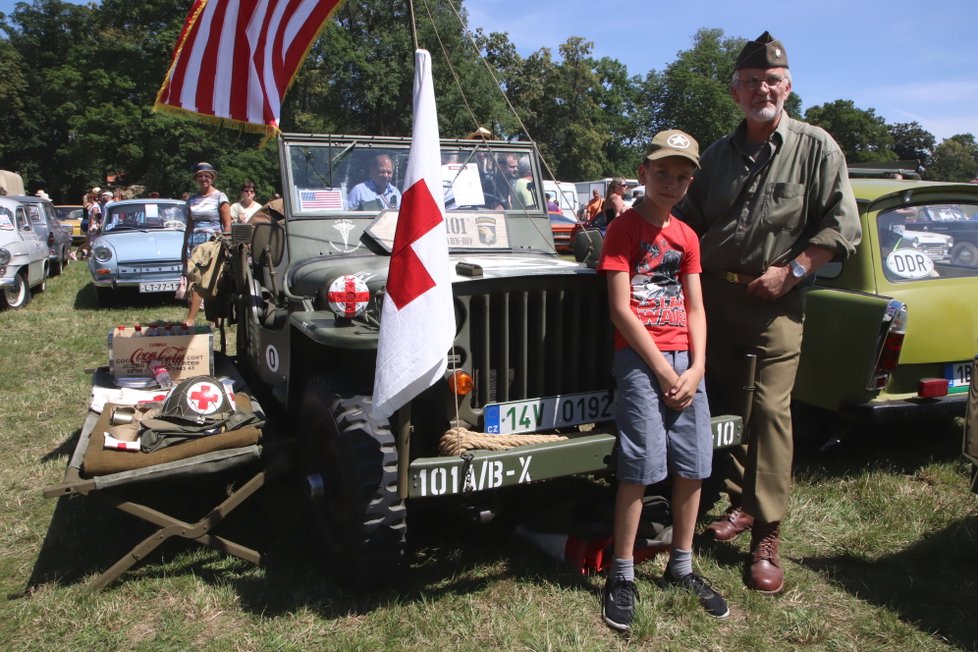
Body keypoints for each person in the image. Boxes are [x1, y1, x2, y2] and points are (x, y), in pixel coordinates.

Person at [673, 31, 861, 595]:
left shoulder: (817, 147)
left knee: (771, 415)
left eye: (772, 81)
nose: (763, 89)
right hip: (713, 301)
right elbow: (686, 218)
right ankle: (741, 504)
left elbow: (840, 227)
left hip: (776, 303)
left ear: (788, 86)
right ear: (735, 91)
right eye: (751, 81)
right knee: (728, 407)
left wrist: (793, 271)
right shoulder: (715, 156)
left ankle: (767, 536)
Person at [597, 129, 728, 632]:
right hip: (640, 358)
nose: (672, 183)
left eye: (682, 176)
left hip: (685, 363)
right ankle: (623, 574)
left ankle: (682, 564)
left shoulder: (687, 237)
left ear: (691, 182)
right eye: (663, 174)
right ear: (643, 174)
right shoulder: (624, 230)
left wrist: (696, 367)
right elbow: (620, 308)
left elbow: (696, 307)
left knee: (694, 463)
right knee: (640, 463)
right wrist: (662, 367)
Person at [181, 162, 231, 326]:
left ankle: (202, 318)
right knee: (194, 279)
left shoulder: (220, 197)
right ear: (196, 178)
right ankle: (196, 318)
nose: (204, 179)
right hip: (195, 243)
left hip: (213, 244)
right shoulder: (192, 199)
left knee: (210, 280)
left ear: (212, 178)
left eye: (207, 176)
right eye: (201, 176)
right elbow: (189, 225)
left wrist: (225, 244)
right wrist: (184, 248)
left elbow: (227, 224)